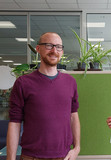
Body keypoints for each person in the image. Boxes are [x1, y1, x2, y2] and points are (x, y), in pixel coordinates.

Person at [7, 32, 80, 160]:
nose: (54, 50)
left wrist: (77, 148)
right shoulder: (23, 83)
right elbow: (14, 123)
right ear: (38, 49)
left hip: (64, 156)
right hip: (32, 156)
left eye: (58, 47)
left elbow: (73, 116)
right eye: (48, 45)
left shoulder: (70, 82)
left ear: (62, 52)